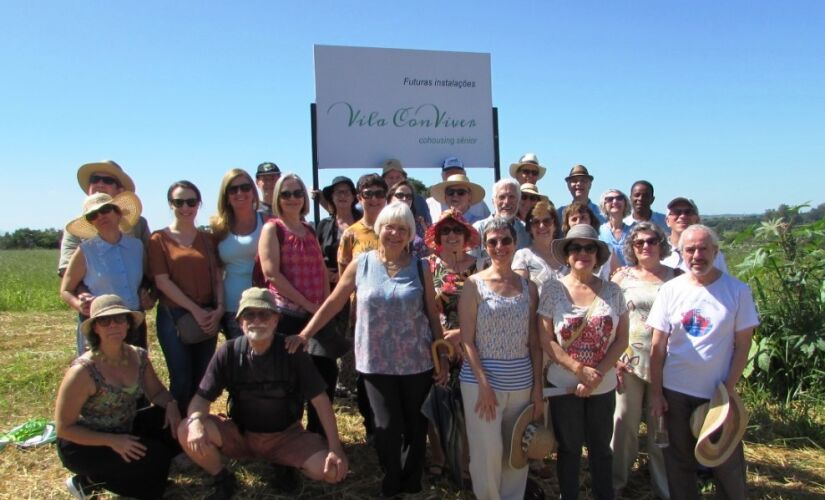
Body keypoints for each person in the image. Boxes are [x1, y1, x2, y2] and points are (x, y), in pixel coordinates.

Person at [289, 202, 448, 497]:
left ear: (410, 233)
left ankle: (410, 483)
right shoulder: (361, 263)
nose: (395, 233)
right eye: (390, 226)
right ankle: (392, 477)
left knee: (416, 426)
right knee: (386, 427)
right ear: (379, 228)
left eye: (402, 229)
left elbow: (430, 312)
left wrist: (441, 356)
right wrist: (305, 333)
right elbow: (335, 301)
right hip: (374, 361)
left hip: (417, 361)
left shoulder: (419, 266)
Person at [178, 287, 348, 499]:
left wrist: (335, 448)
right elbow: (200, 400)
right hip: (241, 435)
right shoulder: (228, 352)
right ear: (240, 322)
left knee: (332, 473)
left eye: (264, 314)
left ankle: (282, 463)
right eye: (249, 314)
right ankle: (222, 476)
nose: (257, 320)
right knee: (185, 429)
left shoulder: (291, 351)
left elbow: (321, 401)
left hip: (286, 436)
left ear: (276, 320)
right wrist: (195, 423)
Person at [648, 225, 759, 499]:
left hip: (717, 394)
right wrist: (656, 392)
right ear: (681, 253)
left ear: (715, 252)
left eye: (703, 248)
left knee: (726, 462)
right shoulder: (670, 290)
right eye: (690, 249)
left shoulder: (736, 291)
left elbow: (743, 345)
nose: (697, 255)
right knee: (679, 462)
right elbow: (657, 346)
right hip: (675, 392)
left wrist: (728, 391)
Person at [55, 294, 181, 500]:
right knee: (155, 461)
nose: (113, 325)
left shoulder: (138, 356)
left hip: (124, 427)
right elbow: (64, 428)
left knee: (174, 430)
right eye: (105, 321)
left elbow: (157, 393)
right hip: (85, 444)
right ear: (95, 327)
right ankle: (88, 481)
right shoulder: (83, 371)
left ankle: (122, 475)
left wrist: (173, 406)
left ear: (128, 324)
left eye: (119, 319)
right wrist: (112, 441)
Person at [538, 224, 629, 500]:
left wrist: (597, 374)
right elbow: (545, 339)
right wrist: (578, 369)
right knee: (569, 448)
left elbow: (622, 338)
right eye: (576, 248)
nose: (583, 253)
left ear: (598, 255)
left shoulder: (613, 291)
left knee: (601, 448)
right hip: (564, 384)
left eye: (589, 248)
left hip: (602, 385)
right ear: (567, 254)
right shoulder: (553, 290)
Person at [457, 217, 543, 500]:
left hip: (521, 382)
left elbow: (534, 342)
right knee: (487, 454)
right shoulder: (473, 285)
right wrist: (483, 384)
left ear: (515, 243)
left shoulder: (529, 288)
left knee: (516, 452)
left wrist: (538, 390)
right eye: (492, 241)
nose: (499, 246)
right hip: (481, 384)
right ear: (485, 246)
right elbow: (467, 340)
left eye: (505, 240)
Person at [258, 172, 345, 437]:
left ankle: (317, 436)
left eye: (297, 193)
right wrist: (308, 304)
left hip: (315, 315)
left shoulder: (308, 229)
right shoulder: (273, 229)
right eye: (286, 194)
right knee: (292, 382)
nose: (293, 198)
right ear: (277, 198)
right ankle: (292, 440)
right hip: (287, 315)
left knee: (324, 377)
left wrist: (322, 305)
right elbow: (272, 274)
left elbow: (320, 267)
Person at [610, 222, 677, 499]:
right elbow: (607, 317)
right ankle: (616, 485)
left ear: (661, 244)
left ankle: (664, 488)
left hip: (668, 364)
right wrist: (613, 358)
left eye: (651, 241)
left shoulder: (677, 277)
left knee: (660, 428)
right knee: (624, 423)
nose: (646, 246)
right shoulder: (621, 278)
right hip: (628, 362)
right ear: (632, 248)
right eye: (639, 243)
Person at [148, 181, 223, 414]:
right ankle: (178, 435)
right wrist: (195, 310)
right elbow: (162, 281)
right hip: (175, 317)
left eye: (191, 201)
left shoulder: (208, 239)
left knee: (203, 381)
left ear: (198, 204)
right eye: (179, 202)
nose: (185, 207)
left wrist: (219, 309)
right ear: (170, 204)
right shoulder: (158, 239)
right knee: (181, 380)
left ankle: (198, 430)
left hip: (208, 316)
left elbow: (218, 278)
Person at [423, 209, 480, 476]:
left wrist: (461, 334)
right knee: (435, 397)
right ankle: (438, 456)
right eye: (445, 230)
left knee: (466, 403)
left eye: (457, 230)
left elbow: (486, 308)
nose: (452, 235)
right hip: (433, 343)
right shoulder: (426, 265)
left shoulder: (479, 266)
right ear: (438, 235)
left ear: (466, 234)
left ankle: (465, 459)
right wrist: (440, 339)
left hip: (469, 341)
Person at [60, 192, 148, 352]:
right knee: (100, 374)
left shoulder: (137, 247)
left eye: (106, 210)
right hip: (101, 325)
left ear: (118, 212)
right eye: (93, 215)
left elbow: (147, 279)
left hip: (133, 320)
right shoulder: (85, 251)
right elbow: (66, 290)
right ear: (90, 222)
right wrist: (79, 305)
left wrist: (149, 294)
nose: (100, 216)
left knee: (137, 371)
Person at [336, 173, 388, 440]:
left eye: (380, 193)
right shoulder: (351, 234)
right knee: (364, 374)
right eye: (369, 194)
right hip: (362, 317)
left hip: (393, 318)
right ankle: (372, 427)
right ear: (360, 198)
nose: (375, 199)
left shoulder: (395, 229)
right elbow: (344, 278)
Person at [58, 160, 151, 277]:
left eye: (108, 181)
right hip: (94, 293)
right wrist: (83, 292)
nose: (100, 184)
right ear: (89, 188)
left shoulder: (138, 223)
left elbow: (152, 262)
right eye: (95, 179)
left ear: (120, 190)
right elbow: (66, 268)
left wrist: (146, 288)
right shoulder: (73, 227)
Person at [211, 168, 263, 340]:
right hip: (232, 306)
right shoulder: (217, 228)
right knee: (239, 361)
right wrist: (218, 306)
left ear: (253, 191)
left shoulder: (269, 222)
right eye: (233, 189)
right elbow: (216, 273)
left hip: (265, 304)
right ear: (226, 196)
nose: (239, 193)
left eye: (245, 187)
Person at [660, 197, 728, 273]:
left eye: (688, 212)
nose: (683, 216)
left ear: (697, 220)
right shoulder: (656, 251)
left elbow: (723, 282)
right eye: (676, 212)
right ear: (667, 221)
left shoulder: (713, 253)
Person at [472, 178, 531, 264]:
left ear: (518, 201)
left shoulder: (527, 231)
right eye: (502, 197)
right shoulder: (478, 229)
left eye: (512, 197)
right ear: (493, 201)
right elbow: (470, 263)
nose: (506, 202)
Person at [513, 200, 565, 292]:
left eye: (547, 221)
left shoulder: (567, 254)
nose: (541, 226)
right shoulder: (523, 256)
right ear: (529, 228)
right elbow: (518, 292)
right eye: (536, 222)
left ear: (555, 225)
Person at [562, 200, 617, 280]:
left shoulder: (608, 250)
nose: (579, 222)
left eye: (583, 217)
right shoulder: (562, 250)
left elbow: (617, 274)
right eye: (574, 219)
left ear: (591, 221)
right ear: (567, 224)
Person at [426, 156, 491, 223]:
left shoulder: (480, 205)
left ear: (469, 196)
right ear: (442, 175)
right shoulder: (429, 204)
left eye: (461, 192)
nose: (455, 195)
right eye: (450, 192)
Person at [380, 158, 432, 225]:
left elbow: (428, 226)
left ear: (404, 178)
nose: (394, 180)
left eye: (398, 177)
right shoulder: (378, 200)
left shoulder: (419, 200)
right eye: (390, 177)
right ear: (383, 180)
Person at [387, 179, 429, 257]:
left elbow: (431, 248)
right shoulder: (383, 224)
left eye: (409, 196)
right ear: (390, 199)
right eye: (400, 195)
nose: (405, 199)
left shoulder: (420, 223)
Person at [598, 188, 632, 267]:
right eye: (609, 199)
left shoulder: (634, 230)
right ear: (604, 205)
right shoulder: (598, 231)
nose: (615, 201)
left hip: (632, 277)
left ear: (625, 203)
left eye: (619, 198)